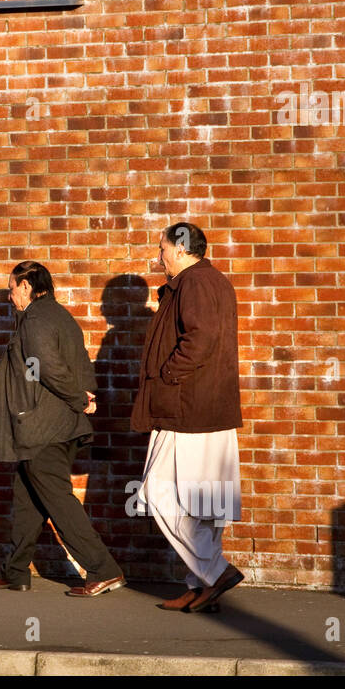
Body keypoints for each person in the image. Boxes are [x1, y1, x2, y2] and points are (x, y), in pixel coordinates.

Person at [0, 261, 125, 597]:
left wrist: (78, 398)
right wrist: (84, 396)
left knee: (58, 500)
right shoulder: (58, 315)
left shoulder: (35, 319)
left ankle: (104, 569)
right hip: (52, 425)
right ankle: (15, 571)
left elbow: (47, 367)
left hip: (43, 428)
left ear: (27, 286)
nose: (9, 294)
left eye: (12, 287)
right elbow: (78, 362)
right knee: (27, 499)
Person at [132, 222, 244, 613]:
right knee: (206, 504)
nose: (158, 256)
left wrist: (167, 375)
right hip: (210, 410)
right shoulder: (215, 281)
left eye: (162, 249)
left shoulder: (193, 284)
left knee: (158, 493)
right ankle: (200, 585)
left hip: (186, 409)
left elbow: (201, 338)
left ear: (179, 250)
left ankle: (214, 572)